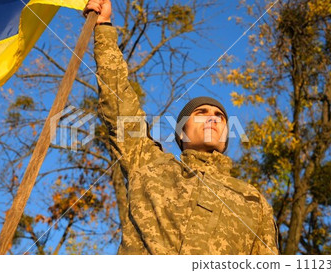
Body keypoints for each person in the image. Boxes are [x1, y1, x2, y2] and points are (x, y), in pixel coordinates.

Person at [85, 0, 279, 255]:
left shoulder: (253, 201)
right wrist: (103, 27)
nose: (214, 119)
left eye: (220, 116)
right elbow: (119, 102)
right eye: (202, 113)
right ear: (181, 131)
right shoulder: (147, 165)